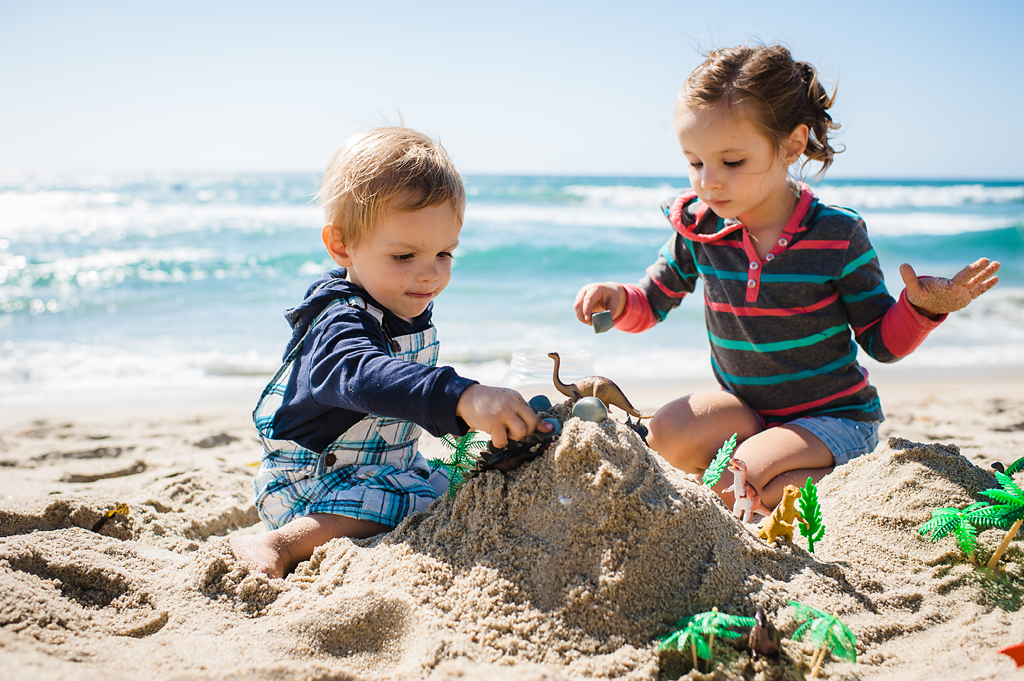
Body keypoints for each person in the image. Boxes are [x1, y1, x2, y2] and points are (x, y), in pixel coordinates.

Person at [573, 45, 1000, 510]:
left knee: (735, 480)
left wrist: (922, 308)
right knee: (664, 432)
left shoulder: (836, 234)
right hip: (747, 414)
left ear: (792, 145)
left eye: (731, 163)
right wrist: (618, 299)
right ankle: (763, 472)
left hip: (833, 419)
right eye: (695, 162)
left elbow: (881, 342)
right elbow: (653, 300)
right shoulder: (700, 226)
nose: (708, 182)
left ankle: (824, 476)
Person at [232, 127, 548, 578]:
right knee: (386, 504)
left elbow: (401, 400)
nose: (429, 275)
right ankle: (280, 544)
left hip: (382, 463)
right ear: (342, 246)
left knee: (447, 484)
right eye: (404, 256)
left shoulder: (400, 299)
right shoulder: (338, 323)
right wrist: (462, 396)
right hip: (311, 481)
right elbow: (366, 374)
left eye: (444, 253)